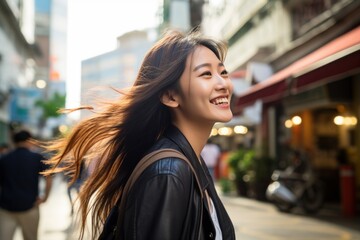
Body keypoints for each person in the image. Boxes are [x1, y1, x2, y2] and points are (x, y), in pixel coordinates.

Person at [43, 29, 236, 240]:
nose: (223, 84)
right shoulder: (169, 172)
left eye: (223, 72)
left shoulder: (189, 162)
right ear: (170, 96)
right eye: (206, 74)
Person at [0, 130, 52, 240]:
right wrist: (45, 198)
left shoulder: (4, 158)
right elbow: (49, 177)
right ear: (29, 141)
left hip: (6, 208)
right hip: (30, 206)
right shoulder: (37, 158)